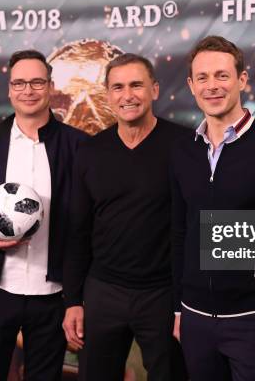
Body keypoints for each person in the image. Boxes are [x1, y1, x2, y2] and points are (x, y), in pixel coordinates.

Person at [0, 49, 87, 381]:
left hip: (53, 296)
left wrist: (76, 297)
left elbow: (84, 225)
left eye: (36, 82)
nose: (27, 90)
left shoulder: (78, 146)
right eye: (19, 83)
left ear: (49, 85)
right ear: (9, 89)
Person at [62, 53, 190, 381]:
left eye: (136, 85)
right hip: (103, 292)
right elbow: (77, 231)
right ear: (108, 95)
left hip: (162, 294)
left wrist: (183, 303)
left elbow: (193, 226)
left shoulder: (184, 146)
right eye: (118, 87)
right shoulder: (90, 152)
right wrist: (73, 301)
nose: (127, 95)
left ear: (155, 90)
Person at [169, 36, 255, 381]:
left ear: (242, 80)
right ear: (191, 85)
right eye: (202, 78)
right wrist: (178, 309)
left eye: (222, 75)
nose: (212, 86)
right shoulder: (182, 150)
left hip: (254, 318)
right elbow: (179, 231)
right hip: (194, 319)